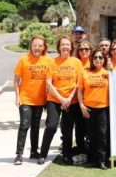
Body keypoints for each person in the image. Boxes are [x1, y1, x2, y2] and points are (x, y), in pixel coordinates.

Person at [40, 35, 83, 165]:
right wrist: (61, 99)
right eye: (62, 44)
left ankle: (67, 155)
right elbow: (48, 83)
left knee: (68, 129)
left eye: (67, 44)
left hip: (71, 100)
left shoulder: (77, 62)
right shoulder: (52, 62)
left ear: (71, 47)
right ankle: (43, 154)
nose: (65, 46)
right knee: (51, 126)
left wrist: (69, 98)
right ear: (59, 47)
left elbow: (78, 83)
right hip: (54, 99)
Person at [12, 35, 53, 165]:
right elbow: (16, 80)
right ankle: (19, 154)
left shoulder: (48, 61)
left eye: (40, 45)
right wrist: (17, 96)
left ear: (44, 47)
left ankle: (34, 151)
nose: (37, 48)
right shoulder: (24, 60)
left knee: (35, 126)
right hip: (25, 99)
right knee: (24, 125)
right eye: (35, 45)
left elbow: (51, 81)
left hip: (40, 100)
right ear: (31, 46)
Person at [78, 48, 110, 170]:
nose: (98, 59)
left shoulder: (108, 73)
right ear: (92, 59)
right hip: (89, 108)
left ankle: (102, 160)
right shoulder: (85, 73)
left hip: (103, 108)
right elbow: (79, 91)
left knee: (102, 135)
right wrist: (82, 106)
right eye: (95, 57)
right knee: (91, 135)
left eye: (100, 57)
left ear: (104, 60)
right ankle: (93, 159)